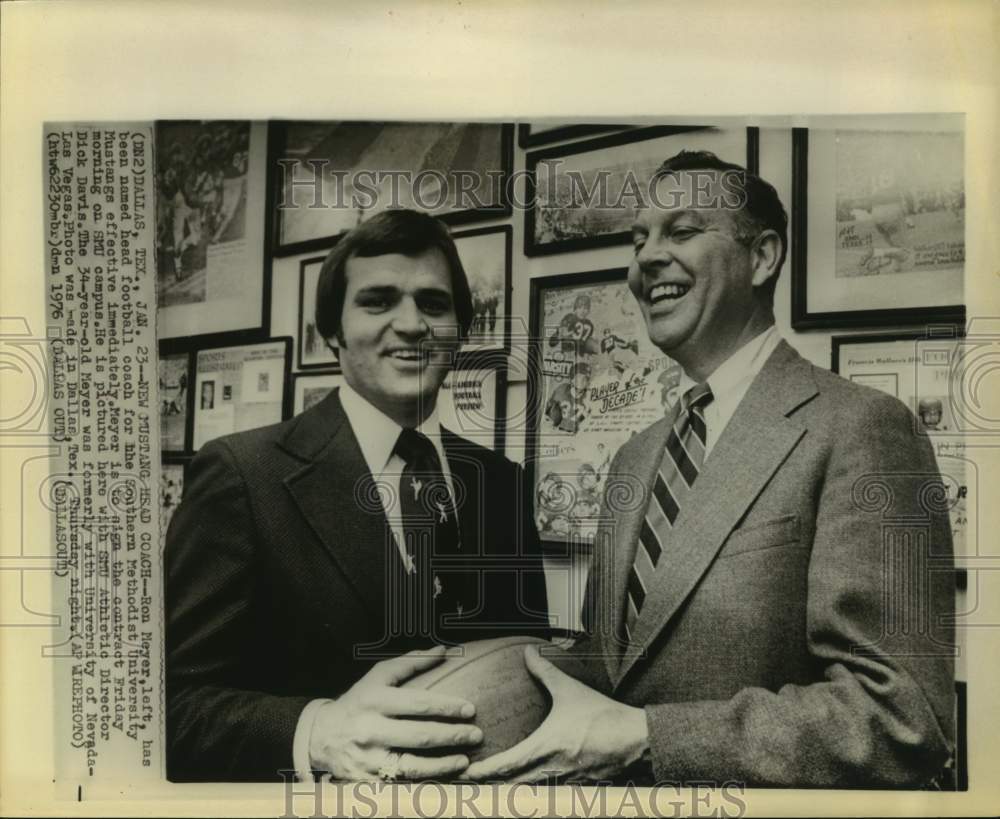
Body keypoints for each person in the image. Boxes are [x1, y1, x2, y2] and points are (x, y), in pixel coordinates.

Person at [463, 151, 955, 787]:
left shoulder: (864, 428)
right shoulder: (636, 457)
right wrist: (467, 681)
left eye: (683, 231)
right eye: (639, 239)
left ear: (763, 257)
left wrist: (649, 739)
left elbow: (903, 719)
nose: (646, 258)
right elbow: (614, 665)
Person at [165, 209, 550, 783]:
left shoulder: (502, 481)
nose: (412, 323)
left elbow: (526, 669)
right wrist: (316, 733)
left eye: (434, 304)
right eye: (378, 300)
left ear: (462, 332)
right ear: (332, 333)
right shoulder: (241, 475)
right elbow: (169, 709)